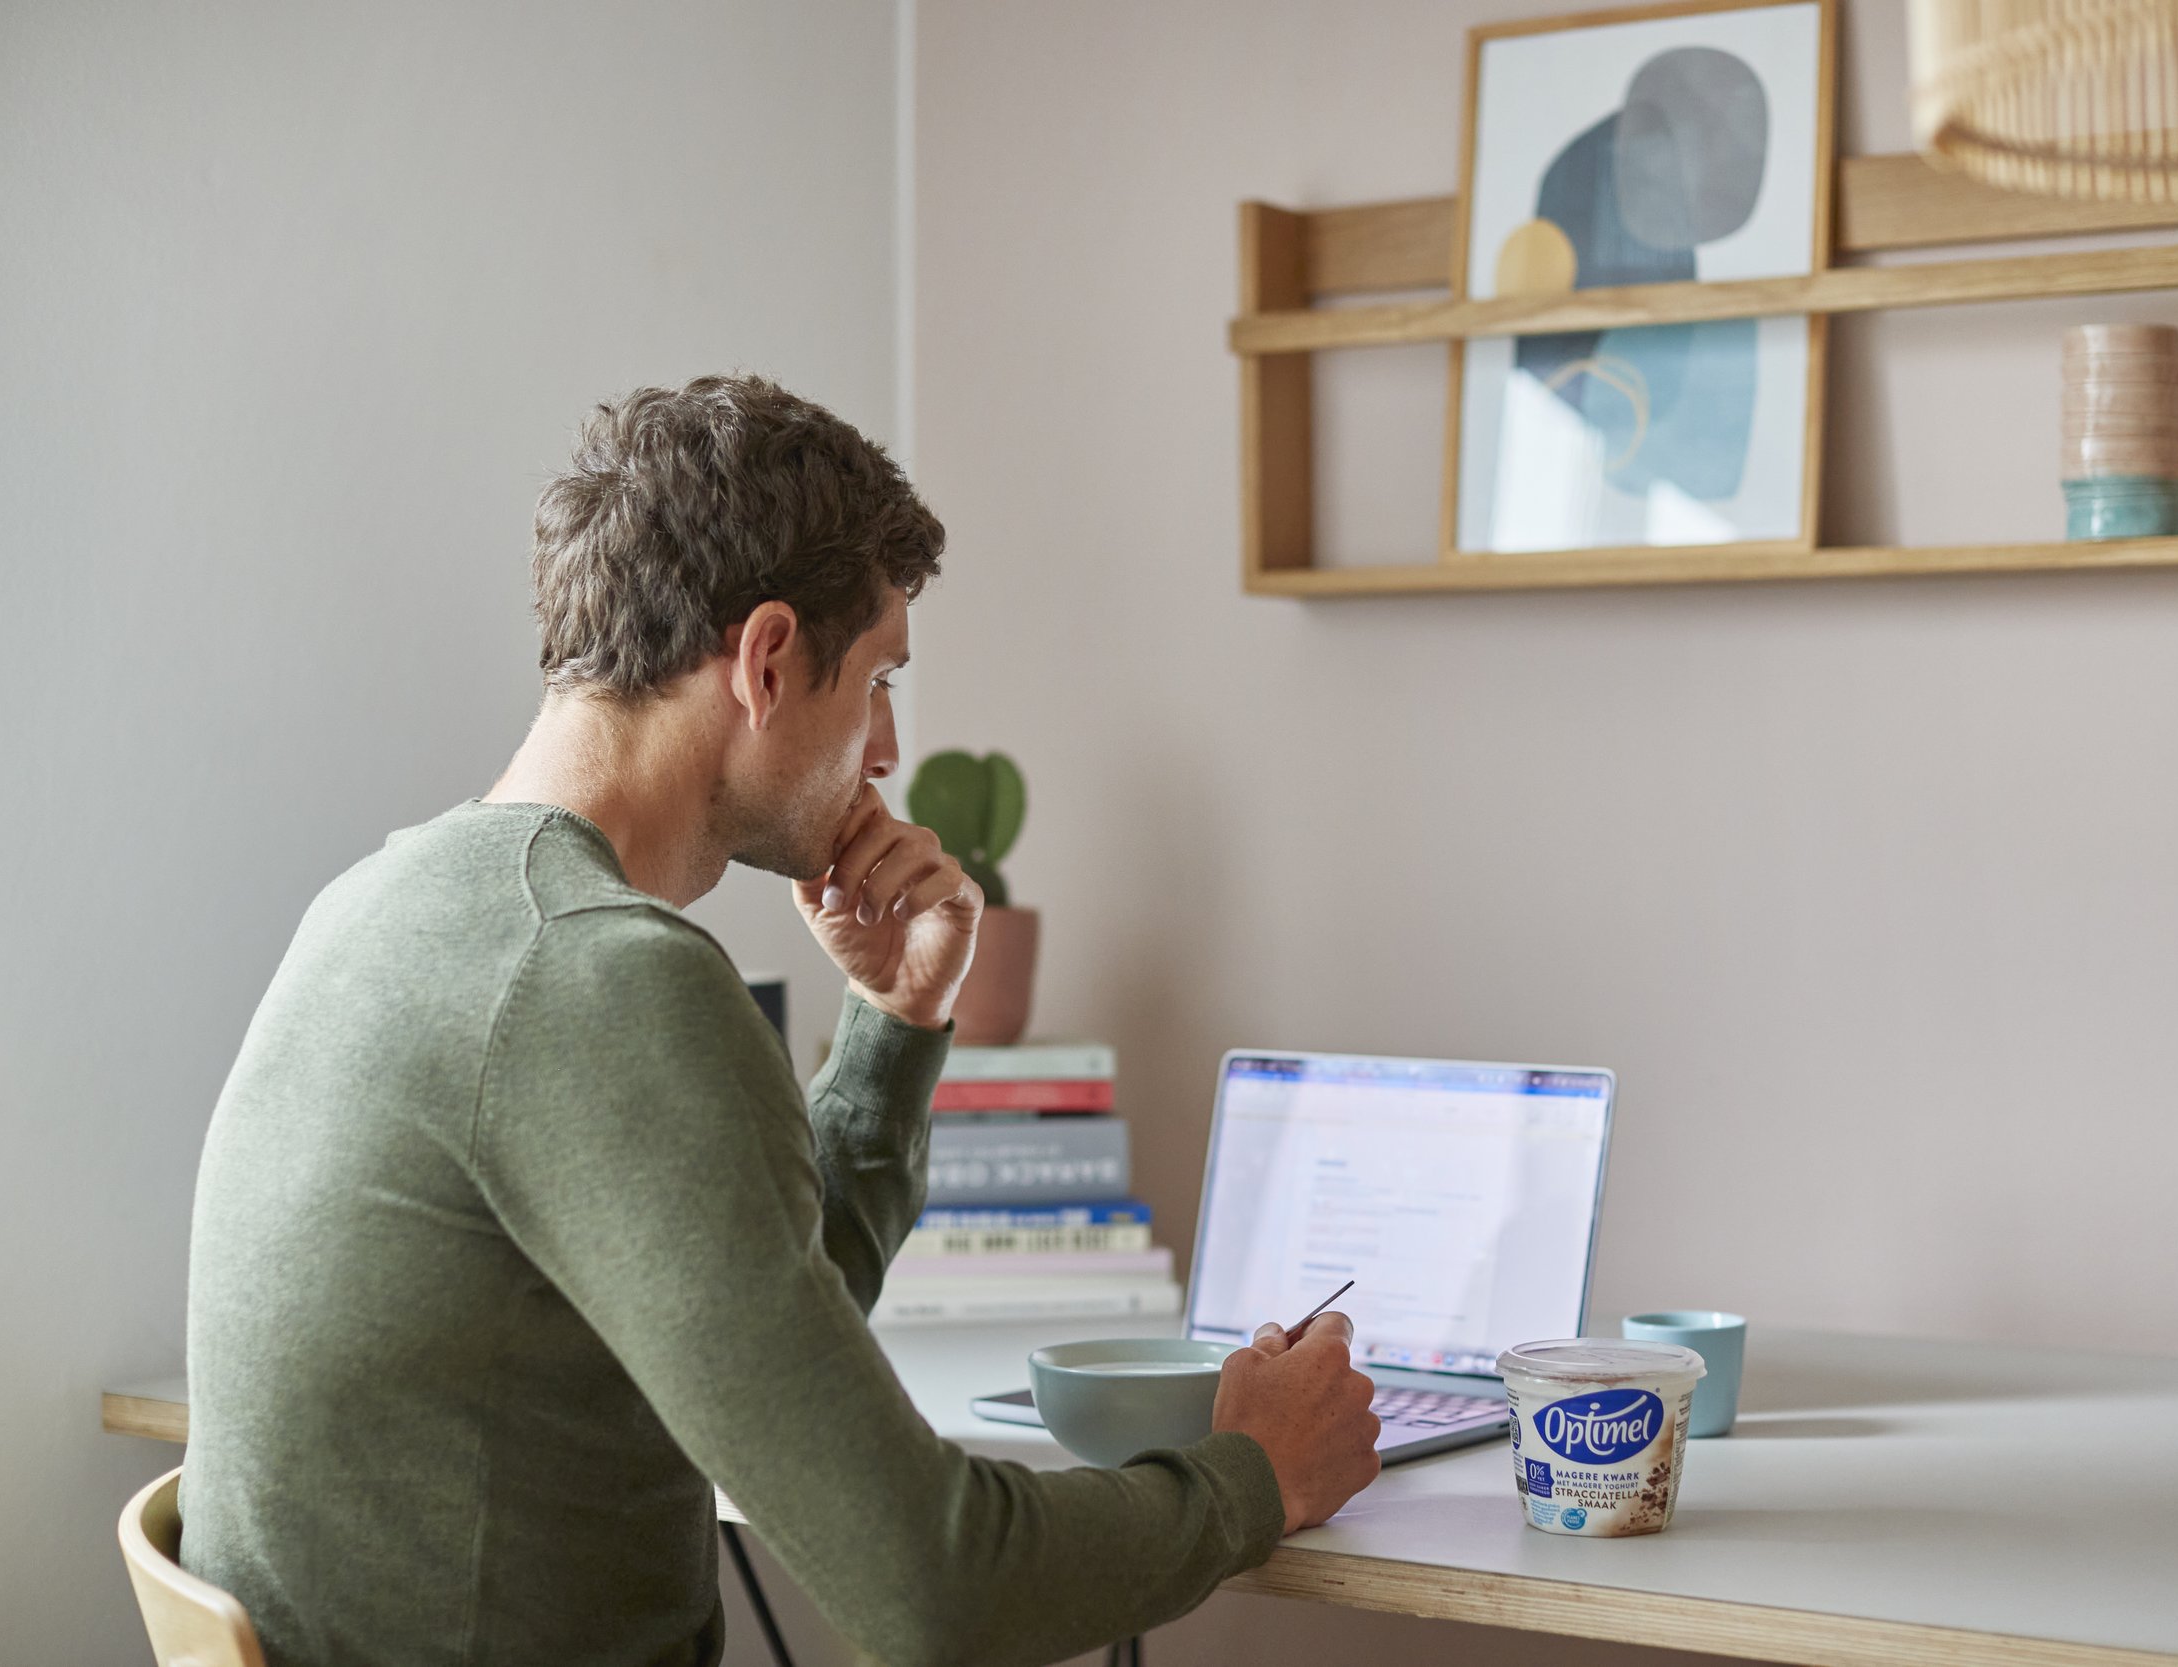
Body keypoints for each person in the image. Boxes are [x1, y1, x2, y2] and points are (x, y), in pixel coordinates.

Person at [181, 374, 1381, 1667]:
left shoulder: (388, 907)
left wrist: (892, 1021)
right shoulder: (602, 979)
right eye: (875, 679)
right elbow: (935, 1590)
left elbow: (765, 1345)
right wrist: (1253, 1478)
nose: (885, 746)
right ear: (764, 662)